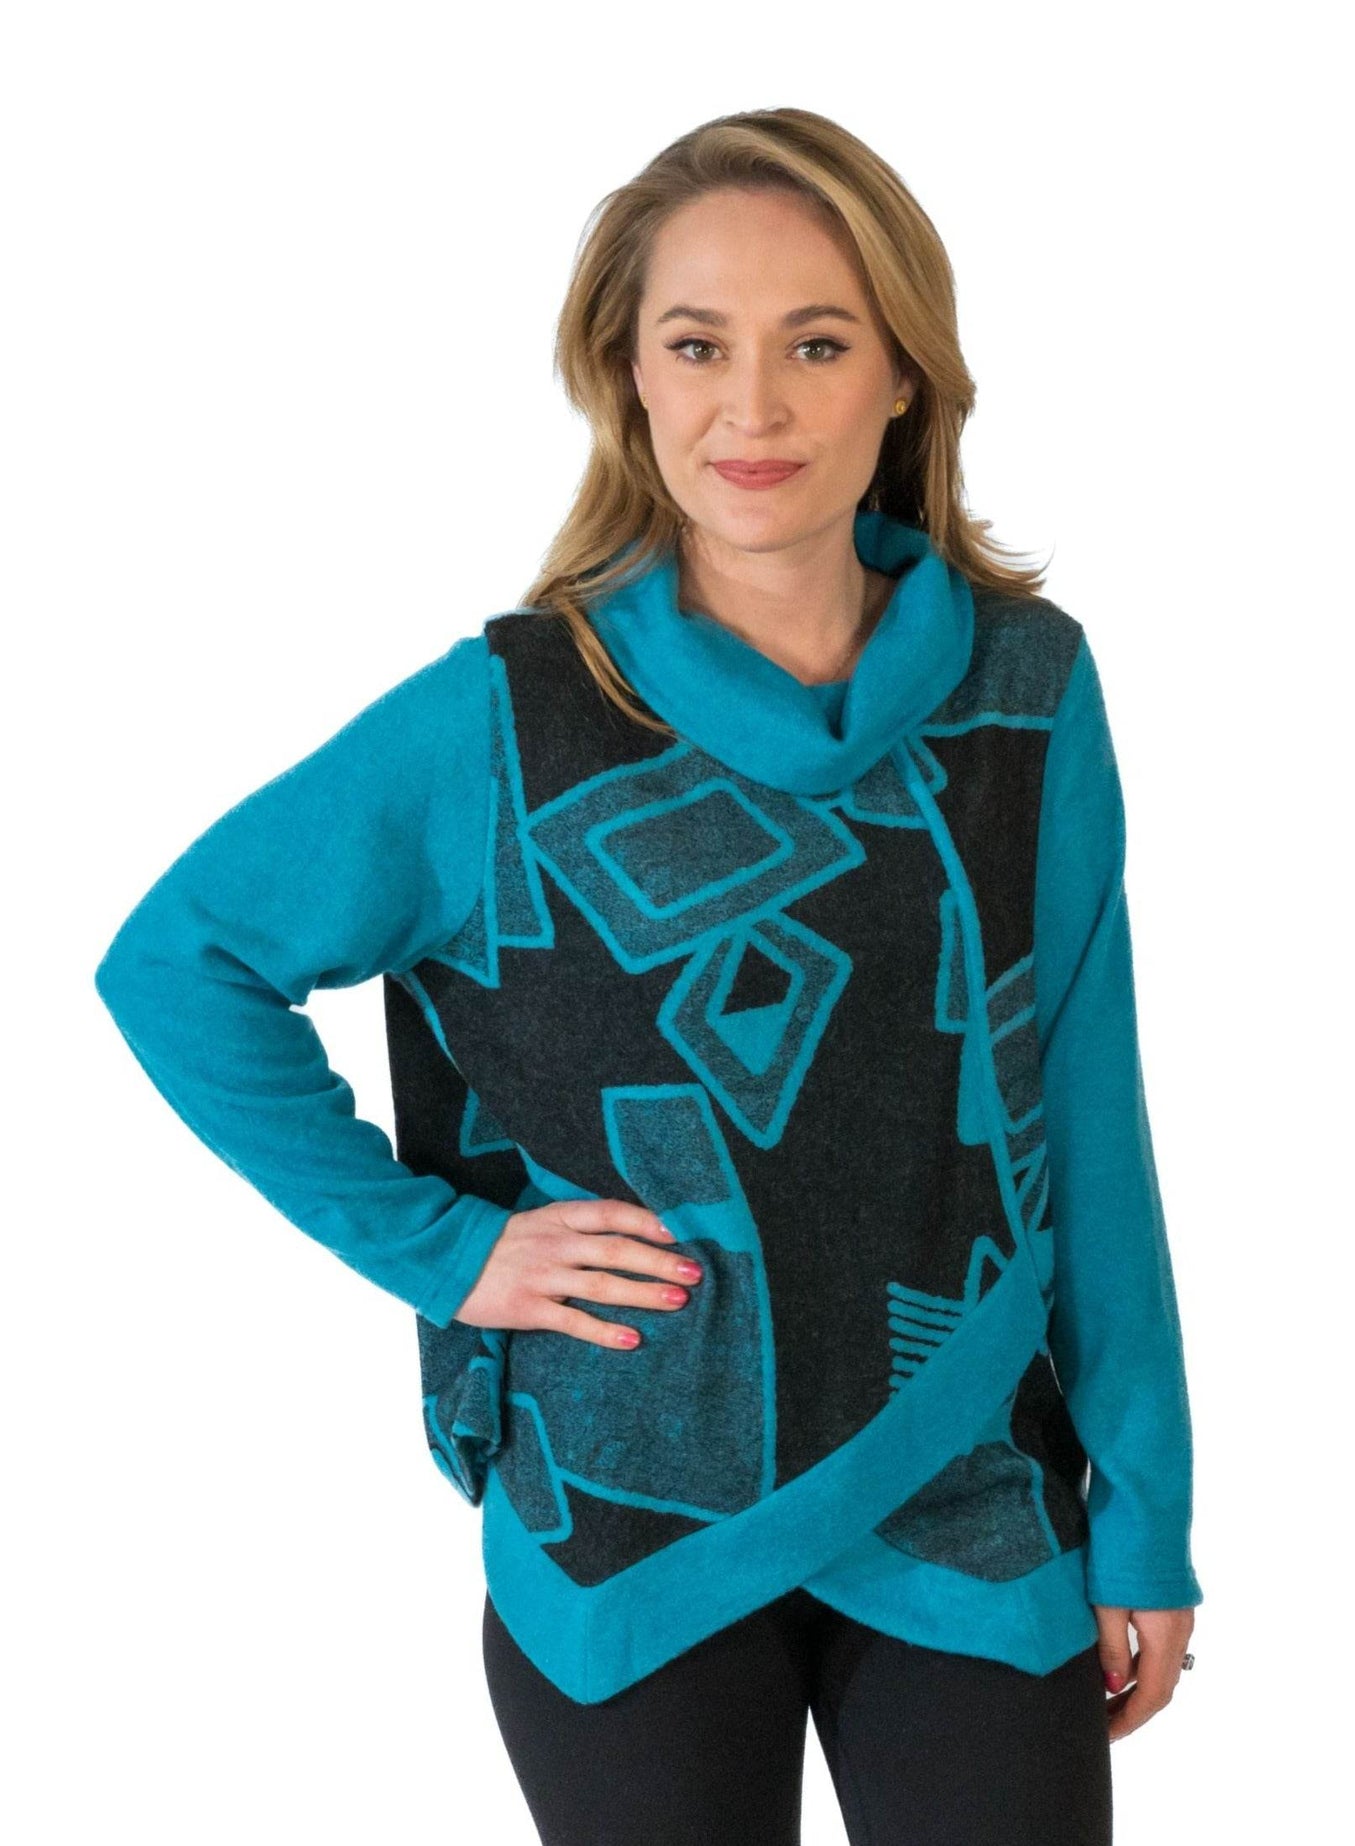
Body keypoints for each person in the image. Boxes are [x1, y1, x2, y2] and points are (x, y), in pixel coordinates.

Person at [94, 106, 1202, 1844]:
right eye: (697, 345)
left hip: (967, 1482)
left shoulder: (1024, 693)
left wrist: (1147, 1513)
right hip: (628, 1512)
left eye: (816, 344)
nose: (753, 407)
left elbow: (1082, 1106)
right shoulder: (509, 718)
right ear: (626, 374)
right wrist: (451, 1252)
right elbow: (181, 960)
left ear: (904, 375)